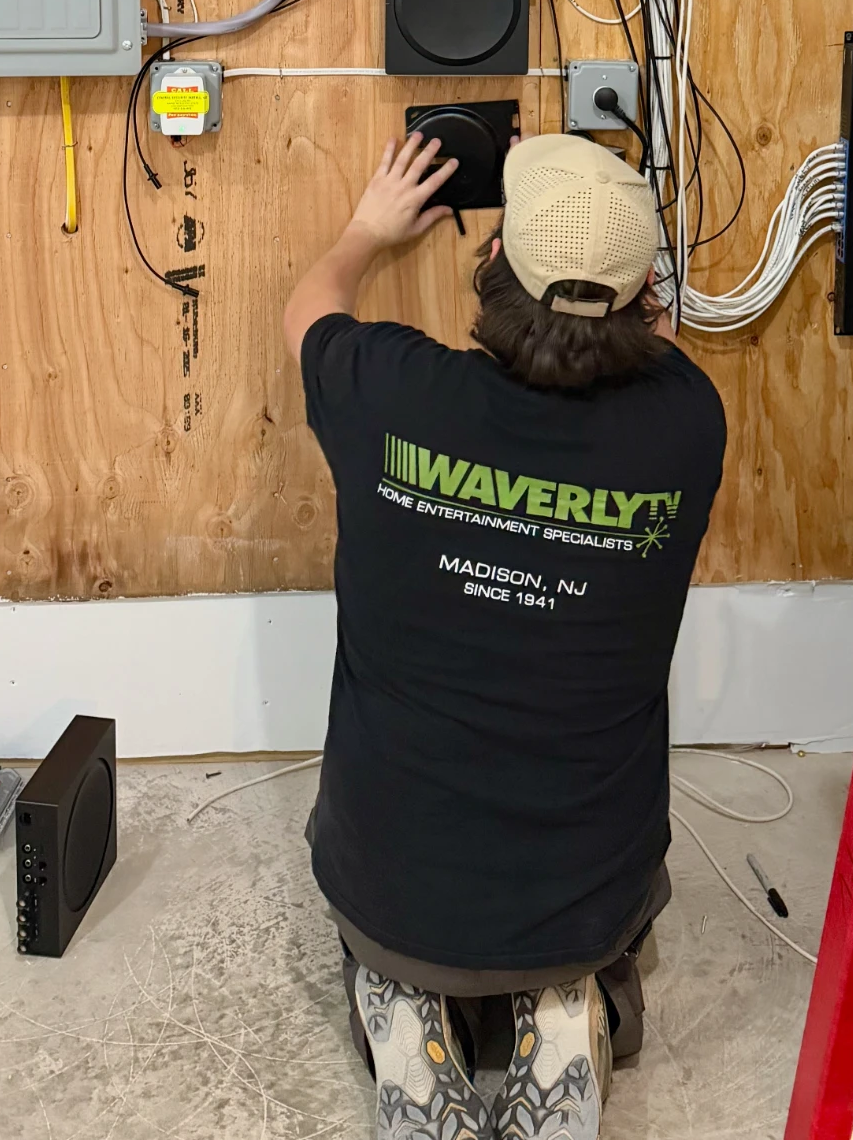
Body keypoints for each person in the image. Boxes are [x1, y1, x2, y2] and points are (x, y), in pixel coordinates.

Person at [283, 129, 727, 1140]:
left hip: (391, 887)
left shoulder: (388, 392)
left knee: (389, 912)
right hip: (584, 899)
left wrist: (366, 232)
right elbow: (646, 353)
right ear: (647, 297)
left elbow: (309, 308)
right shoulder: (686, 425)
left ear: (491, 269)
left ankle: (401, 999)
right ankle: (567, 999)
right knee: (584, 918)